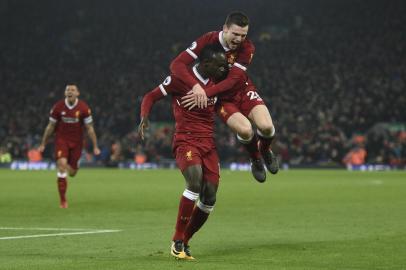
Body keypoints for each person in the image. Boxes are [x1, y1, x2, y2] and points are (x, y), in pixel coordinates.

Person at [138, 44, 229, 260]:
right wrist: (144, 116)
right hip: (186, 140)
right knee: (195, 182)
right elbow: (150, 96)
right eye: (219, 66)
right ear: (205, 64)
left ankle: (185, 241)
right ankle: (177, 239)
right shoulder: (180, 79)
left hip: (208, 144)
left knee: (210, 197)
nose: (223, 69)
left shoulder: (218, 81)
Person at [170, 11, 278, 183]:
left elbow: (232, 81)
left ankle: (264, 149)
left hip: (242, 90)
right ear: (225, 29)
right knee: (245, 130)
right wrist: (196, 86)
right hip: (221, 98)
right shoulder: (208, 40)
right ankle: (255, 158)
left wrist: (205, 93)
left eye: (243, 35)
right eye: (235, 34)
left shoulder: (247, 47)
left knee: (266, 126)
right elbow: (177, 64)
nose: (239, 39)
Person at [39, 84, 100, 208]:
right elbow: (50, 127)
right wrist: (43, 143)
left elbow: (90, 128)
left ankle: (70, 166)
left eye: (72, 90)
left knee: (72, 172)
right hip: (61, 140)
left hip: (77, 142)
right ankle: (63, 200)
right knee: (61, 165)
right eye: (67, 90)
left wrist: (95, 146)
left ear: (78, 93)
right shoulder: (58, 107)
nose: (69, 91)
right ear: (64, 93)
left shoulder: (83, 108)